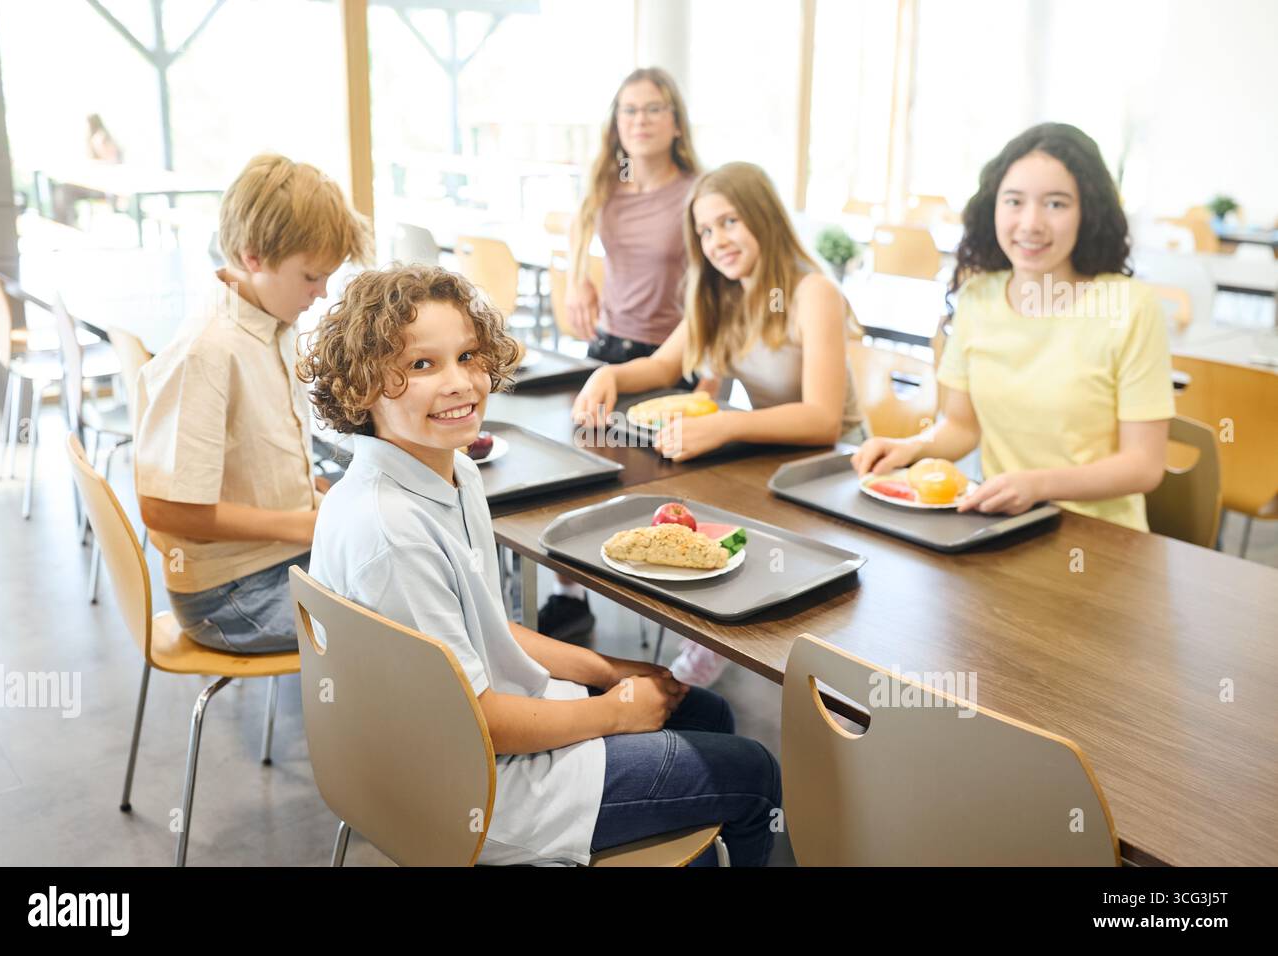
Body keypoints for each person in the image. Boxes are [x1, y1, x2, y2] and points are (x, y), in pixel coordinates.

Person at [297, 264, 782, 866]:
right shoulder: (391, 532)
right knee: (754, 774)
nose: (459, 383)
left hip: (471, 743)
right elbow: (477, 720)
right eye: (423, 365)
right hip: (479, 788)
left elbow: (487, 630)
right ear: (362, 386)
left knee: (704, 709)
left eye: (469, 356)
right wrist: (613, 710)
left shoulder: (451, 472)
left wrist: (606, 668)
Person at [572, 161, 866, 685]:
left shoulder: (811, 292)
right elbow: (665, 365)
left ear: (763, 217)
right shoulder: (722, 292)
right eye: (705, 231)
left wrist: (730, 426)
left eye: (729, 222)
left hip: (832, 472)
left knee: (730, 523)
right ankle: (705, 638)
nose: (717, 241)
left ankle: (709, 649)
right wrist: (610, 374)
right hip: (768, 457)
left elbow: (823, 421)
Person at [851, 123, 1172, 532]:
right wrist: (908, 448)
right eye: (1014, 201)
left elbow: (1144, 466)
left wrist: (1038, 485)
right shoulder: (977, 297)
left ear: (1087, 213)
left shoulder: (1131, 306)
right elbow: (962, 427)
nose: (1031, 223)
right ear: (993, 209)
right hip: (1000, 526)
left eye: (1056, 204)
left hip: (1101, 538)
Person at [134, 153, 373, 653]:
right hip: (230, 596)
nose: (322, 292)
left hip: (276, 562)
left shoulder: (271, 319)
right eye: (311, 276)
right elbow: (162, 507)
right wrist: (304, 523)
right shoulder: (208, 349)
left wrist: (318, 496)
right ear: (252, 257)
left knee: (414, 582)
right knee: (406, 629)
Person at [539, 66, 703, 643]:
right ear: (616, 122)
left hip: (668, 358)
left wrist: (701, 362)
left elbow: (717, 282)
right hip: (607, 349)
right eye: (629, 110)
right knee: (580, 474)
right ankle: (569, 595)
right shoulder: (610, 181)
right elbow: (578, 234)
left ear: (676, 121)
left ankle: (679, 614)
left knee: (651, 491)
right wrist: (578, 279)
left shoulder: (695, 192)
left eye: (654, 108)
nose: (640, 120)